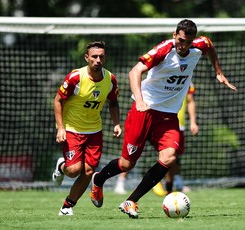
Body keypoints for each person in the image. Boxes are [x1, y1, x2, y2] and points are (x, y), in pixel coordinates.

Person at [89, 19, 237, 219]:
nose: (183, 45)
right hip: (144, 111)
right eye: (181, 40)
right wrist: (140, 101)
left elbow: (209, 46)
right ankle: (99, 179)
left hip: (168, 116)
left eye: (188, 41)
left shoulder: (199, 45)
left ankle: (131, 201)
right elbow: (135, 72)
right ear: (174, 34)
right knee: (126, 164)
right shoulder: (163, 50)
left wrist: (218, 72)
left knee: (169, 157)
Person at [52, 41, 122, 216]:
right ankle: (62, 166)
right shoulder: (76, 77)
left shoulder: (110, 79)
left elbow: (113, 103)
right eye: (94, 57)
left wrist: (116, 123)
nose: (98, 60)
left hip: (94, 131)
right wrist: (61, 128)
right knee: (74, 171)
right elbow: (58, 100)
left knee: (89, 171)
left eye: (101, 57)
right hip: (72, 129)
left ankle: (67, 206)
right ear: (87, 58)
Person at [153, 82, 198, 196]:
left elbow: (190, 101)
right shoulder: (164, 75)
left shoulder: (187, 81)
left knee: (173, 157)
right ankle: (155, 180)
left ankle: (170, 186)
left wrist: (193, 122)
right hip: (161, 122)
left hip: (179, 126)